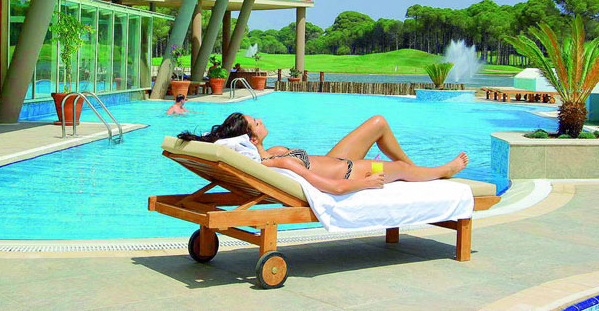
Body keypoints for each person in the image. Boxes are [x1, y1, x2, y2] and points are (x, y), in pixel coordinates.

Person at [178, 112, 468, 195]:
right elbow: (333, 188)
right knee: (400, 169)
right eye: (256, 122)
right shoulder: (279, 161)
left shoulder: (272, 153)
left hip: (340, 159)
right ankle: (443, 171)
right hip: (356, 172)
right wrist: (363, 183)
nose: (261, 119)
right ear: (252, 138)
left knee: (378, 123)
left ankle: (416, 172)